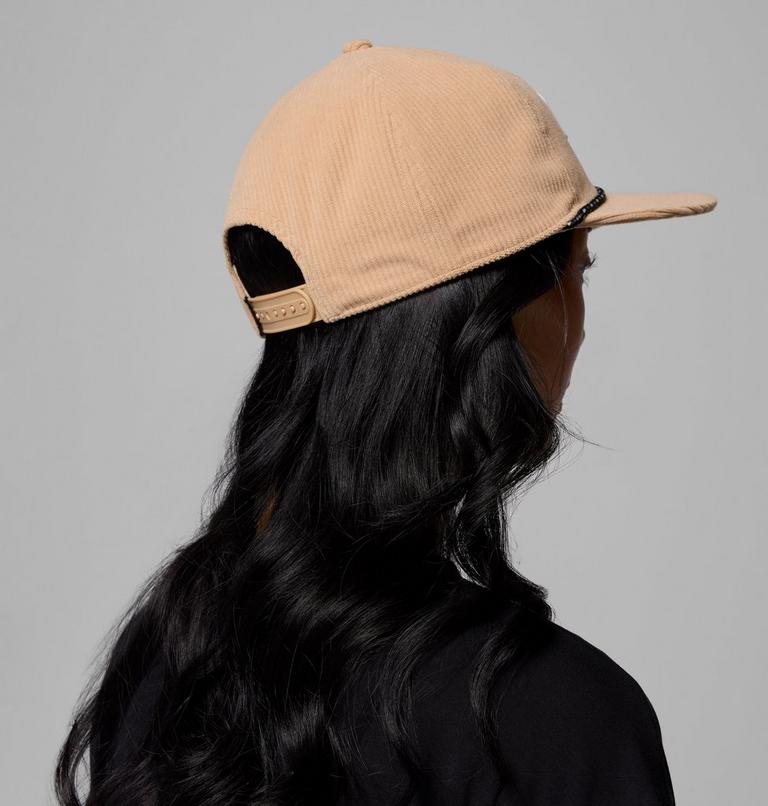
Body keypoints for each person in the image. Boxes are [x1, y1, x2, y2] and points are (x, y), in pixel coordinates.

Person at [54, 40, 717, 805]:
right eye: (579, 269)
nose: (581, 319)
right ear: (491, 318)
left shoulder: (170, 661)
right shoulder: (556, 718)